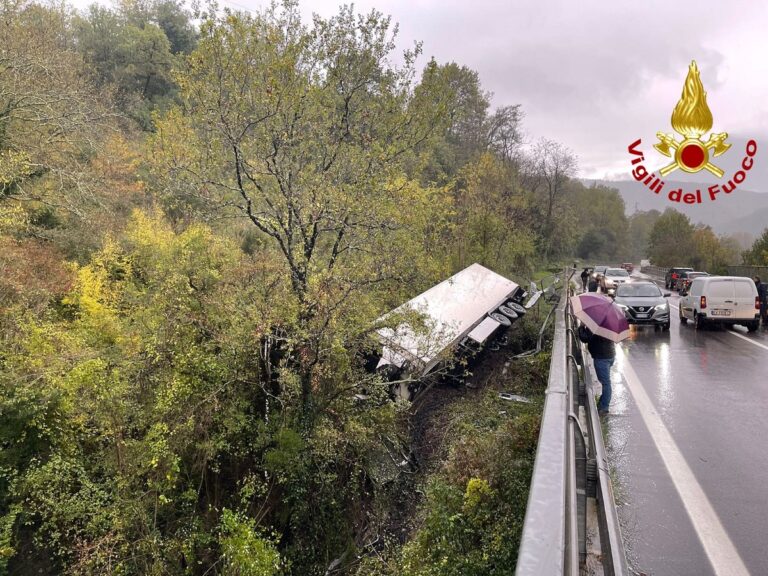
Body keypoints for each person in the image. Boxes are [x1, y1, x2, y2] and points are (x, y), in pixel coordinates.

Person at [578, 324, 616, 415]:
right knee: (605, 381)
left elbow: (585, 338)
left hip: (601, 358)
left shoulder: (595, 323)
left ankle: (604, 407)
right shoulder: (610, 322)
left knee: (606, 383)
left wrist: (581, 327)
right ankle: (602, 404)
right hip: (610, 355)